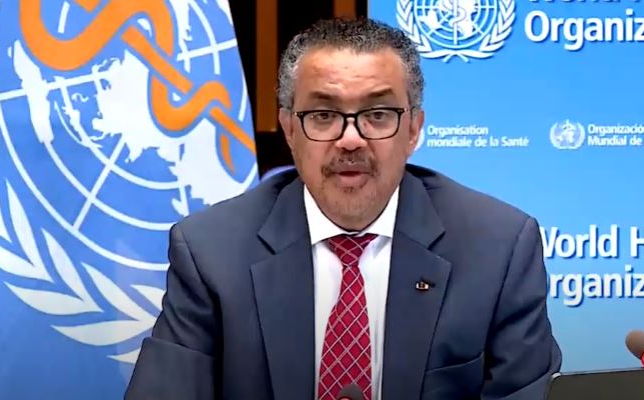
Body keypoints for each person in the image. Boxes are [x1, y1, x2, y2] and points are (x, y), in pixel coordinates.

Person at [125, 17, 562, 400]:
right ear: (289, 130)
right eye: (323, 115)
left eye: (377, 114)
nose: (350, 139)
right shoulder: (211, 251)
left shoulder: (497, 247)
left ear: (413, 129)